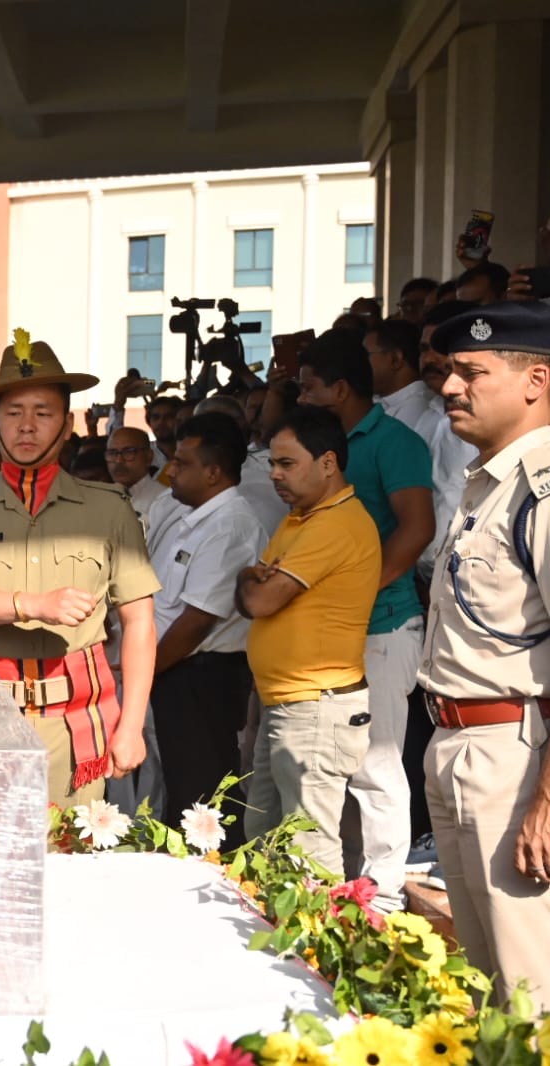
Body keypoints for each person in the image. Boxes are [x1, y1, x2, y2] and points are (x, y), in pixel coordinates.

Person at [0, 333, 160, 806]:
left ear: (68, 424)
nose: (27, 427)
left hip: (75, 722)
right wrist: (34, 605)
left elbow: (139, 621)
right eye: (13, 413)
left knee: (72, 862)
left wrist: (131, 726)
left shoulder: (109, 509)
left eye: (43, 412)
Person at [418, 301, 550, 1010]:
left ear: (534, 380)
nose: (447, 387)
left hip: (514, 752)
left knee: (530, 990)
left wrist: (546, 800)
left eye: (470, 372)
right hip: (459, 744)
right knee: (486, 987)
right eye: (447, 372)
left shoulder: (541, 491)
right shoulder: (488, 484)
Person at [296, 329, 434, 909]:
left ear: (340, 388)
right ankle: (347, 876)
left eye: (308, 387)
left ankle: (385, 889)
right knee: (335, 762)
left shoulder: (394, 440)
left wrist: (357, 592)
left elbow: (417, 528)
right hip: (333, 627)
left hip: (382, 624)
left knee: (376, 762)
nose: (299, 396)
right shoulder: (322, 443)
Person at [238, 406, 381, 874]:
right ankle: (273, 946)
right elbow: (257, 595)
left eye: (287, 463)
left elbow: (259, 600)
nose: (275, 475)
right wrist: (252, 582)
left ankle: (315, 948)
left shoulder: (336, 523)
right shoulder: (299, 519)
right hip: (287, 703)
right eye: (272, 464)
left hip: (314, 709)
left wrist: (248, 578)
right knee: (263, 847)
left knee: (307, 856)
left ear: (328, 463)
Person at [148, 413, 268, 844]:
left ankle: (211, 894)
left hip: (202, 677)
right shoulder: (194, 517)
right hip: (176, 673)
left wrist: (144, 671)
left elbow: (197, 621)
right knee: (181, 792)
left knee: (203, 801)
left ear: (214, 472)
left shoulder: (230, 525)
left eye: (182, 463)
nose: (171, 471)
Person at [368, 318, 475, 585]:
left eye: (441, 348)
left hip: (473, 578)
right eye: (424, 348)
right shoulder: (427, 418)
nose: (429, 358)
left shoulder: (485, 421)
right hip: (427, 578)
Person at [105, 426, 168, 527]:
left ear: (149, 457)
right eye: (112, 453)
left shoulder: (165, 500)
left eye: (129, 452)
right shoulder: (101, 500)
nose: (118, 460)